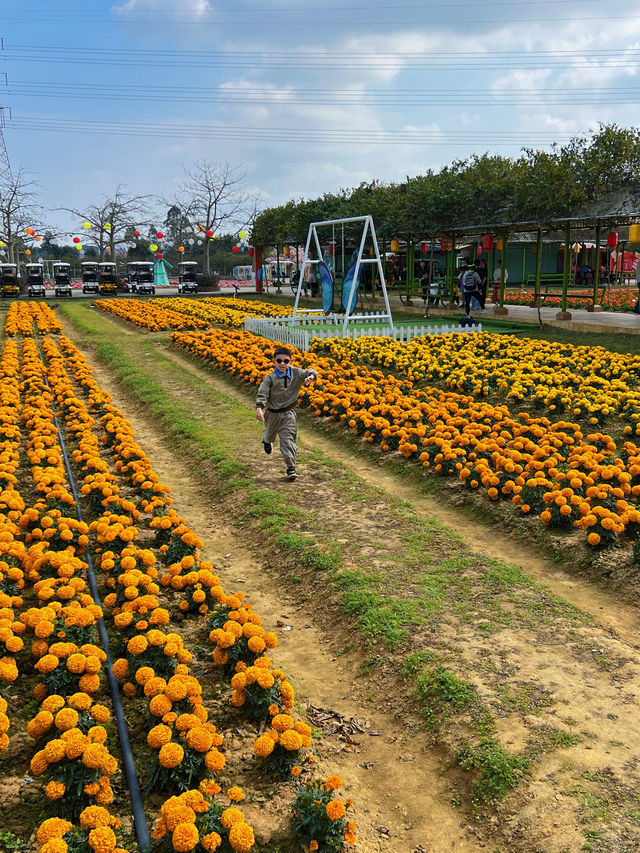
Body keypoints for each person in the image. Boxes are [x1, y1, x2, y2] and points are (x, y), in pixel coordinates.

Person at [255, 347, 318, 480]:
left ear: (290, 362)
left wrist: (311, 377)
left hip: (288, 414)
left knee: (288, 440)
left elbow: (311, 371)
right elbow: (263, 392)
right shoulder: (270, 378)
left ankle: (291, 468)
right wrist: (259, 407)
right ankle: (266, 439)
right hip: (272, 414)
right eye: (279, 361)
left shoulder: (296, 373)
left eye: (286, 361)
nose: (282, 363)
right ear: (274, 362)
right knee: (270, 437)